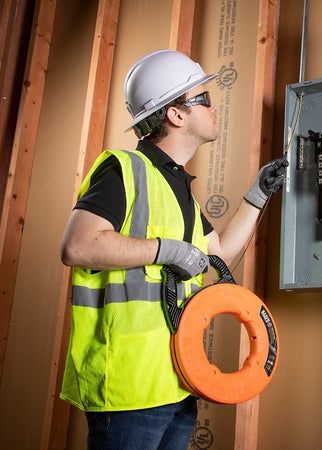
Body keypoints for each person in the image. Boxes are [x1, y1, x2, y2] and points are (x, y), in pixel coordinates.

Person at [59, 49, 288, 450]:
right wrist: (167, 250)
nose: (214, 107)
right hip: (129, 391)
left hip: (178, 384)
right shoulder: (124, 170)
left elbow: (218, 257)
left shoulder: (178, 188)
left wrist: (257, 195)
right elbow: (78, 246)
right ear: (176, 114)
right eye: (204, 98)